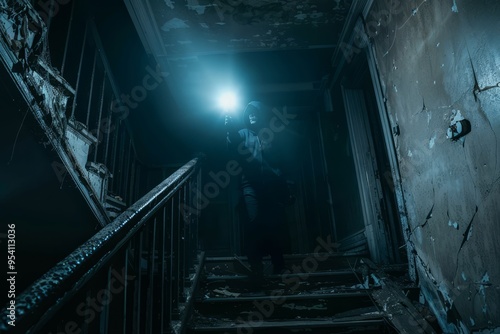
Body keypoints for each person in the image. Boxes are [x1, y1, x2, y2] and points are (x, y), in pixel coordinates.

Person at [225, 101, 294, 278]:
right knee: (254, 223)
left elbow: (284, 160)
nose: (252, 115)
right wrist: (230, 129)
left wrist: (289, 184)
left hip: (272, 186)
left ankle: (279, 265)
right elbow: (232, 146)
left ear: (262, 114)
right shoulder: (241, 134)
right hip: (250, 186)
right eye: (249, 112)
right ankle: (256, 266)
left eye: (255, 112)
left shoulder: (273, 134)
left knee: (274, 225)